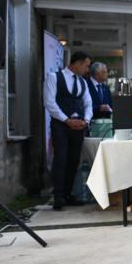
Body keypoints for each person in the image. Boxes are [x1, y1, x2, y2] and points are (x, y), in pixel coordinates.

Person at [44, 51, 92, 210]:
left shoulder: (83, 82)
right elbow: (50, 103)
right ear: (77, 63)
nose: (87, 69)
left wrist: (85, 121)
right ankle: (58, 196)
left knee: (73, 160)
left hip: (78, 126)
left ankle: (68, 194)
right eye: (86, 65)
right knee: (61, 159)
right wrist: (66, 120)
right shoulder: (54, 77)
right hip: (60, 125)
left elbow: (88, 104)